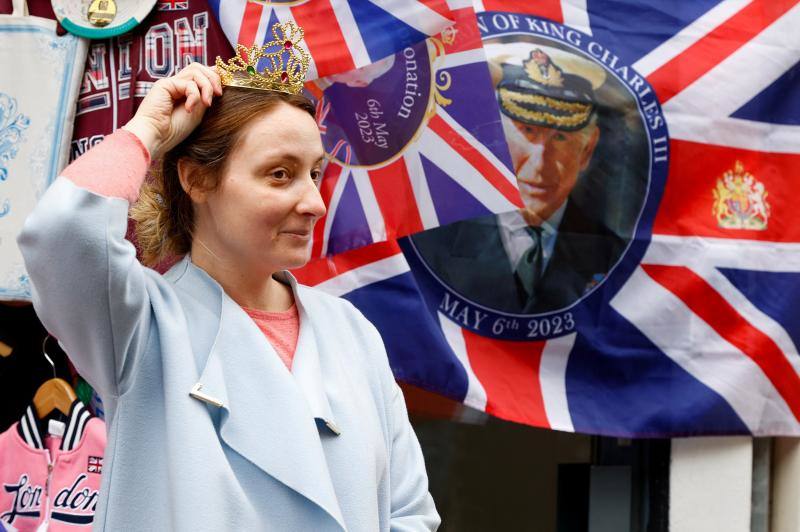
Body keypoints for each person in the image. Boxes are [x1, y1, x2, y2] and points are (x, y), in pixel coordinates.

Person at [17, 29, 440, 530]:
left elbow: (410, 515)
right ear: (196, 179)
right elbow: (62, 231)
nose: (314, 203)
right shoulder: (139, 324)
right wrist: (148, 130)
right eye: (280, 174)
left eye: (314, 172)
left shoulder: (352, 333)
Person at [412, 45, 624, 314]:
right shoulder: (429, 237)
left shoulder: (616, 255)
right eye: (527, 131)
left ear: (587, 150)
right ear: (493, 137)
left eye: (560, 138)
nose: (539, 165)